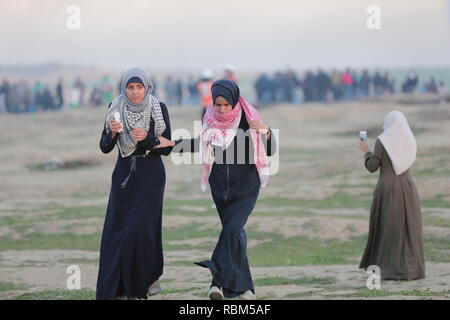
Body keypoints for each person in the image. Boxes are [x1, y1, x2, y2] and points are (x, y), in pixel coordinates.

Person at [155, 79, 276, 300]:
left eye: (225, 105)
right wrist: (172, 143)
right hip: (220, 188)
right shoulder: (210, 117)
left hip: (247, 187)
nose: (221, 109)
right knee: (234, 235)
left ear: (233, 100)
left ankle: (216, 282)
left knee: (232, 230)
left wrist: (267, 133)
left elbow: (269, 150)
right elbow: (202, 143)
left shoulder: (248, 119)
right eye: (217, 104)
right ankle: (245, 289)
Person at [96, 68, 172, 300]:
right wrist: (112, 133)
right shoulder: (114, 107)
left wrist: (147, 138)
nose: (135, 92)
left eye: (139, 87)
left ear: (147, 87)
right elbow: (104, 146)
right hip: (124, 178)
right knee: (117, 233)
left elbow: (168, 147)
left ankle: (141, 287)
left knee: (140, 232)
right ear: (124, 88)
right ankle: (118, 289)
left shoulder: (158, 108)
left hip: (151, 177)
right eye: (131, 87)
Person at [358, 110, 425, 280]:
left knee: (388, 227)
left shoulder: (383, 140)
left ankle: (390, 268)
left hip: (388, 187)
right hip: (408, 186)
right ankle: (412, 269)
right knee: (408, 227)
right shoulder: (409, 139)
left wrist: (366, 151)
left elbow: (373, 166)